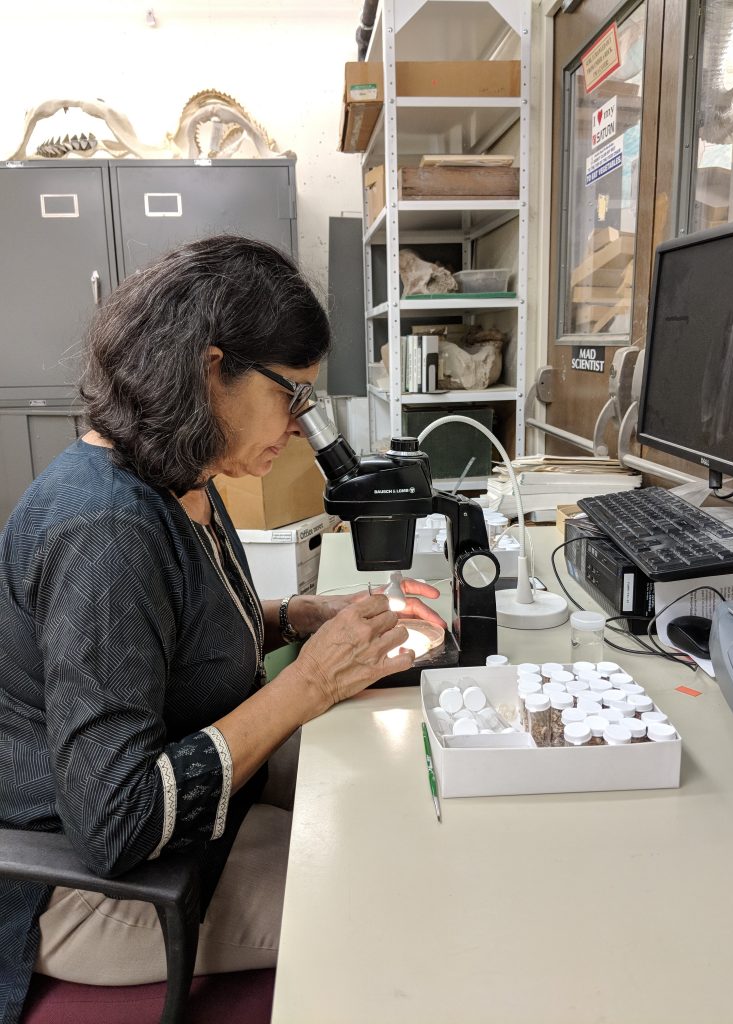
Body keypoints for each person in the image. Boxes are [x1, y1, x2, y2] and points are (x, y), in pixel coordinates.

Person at [0, 235, 444, 1024]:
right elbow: (117, 818)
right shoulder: (104, 529)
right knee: (397, 893)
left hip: (196, 815)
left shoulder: (180, 480)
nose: (302, 425)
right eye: (291, 394)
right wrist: (307, 685)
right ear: (211, 371)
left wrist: (295, 616)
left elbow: (170, 635)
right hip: (87, 886)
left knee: (401, 795)